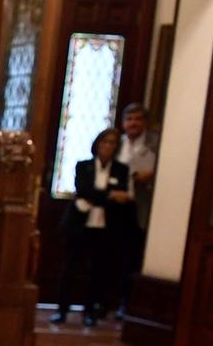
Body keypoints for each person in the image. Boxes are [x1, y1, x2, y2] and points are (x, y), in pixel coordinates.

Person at [53, 127, 134, 327]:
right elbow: (84, 191)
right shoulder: (84, 166)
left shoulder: (120, 170)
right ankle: (62, 309)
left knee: (98, 270)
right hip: (79, 224)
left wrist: (104, 196)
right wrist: (109, 195)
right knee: (70, 267)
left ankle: (90, 310)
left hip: (105, 226)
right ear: (98, 144)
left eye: (113, 142)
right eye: (105, 141)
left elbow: (123, 197)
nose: (108, 146)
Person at [119, 102, 159, 305]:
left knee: (134, 256)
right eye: (129, 119)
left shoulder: (156, 143)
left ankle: (128, 303)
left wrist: (151, 176)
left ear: (145, 122)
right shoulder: (117, 143)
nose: (133, 123)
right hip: (118, 207)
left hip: (141, 207)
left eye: (137, 119)